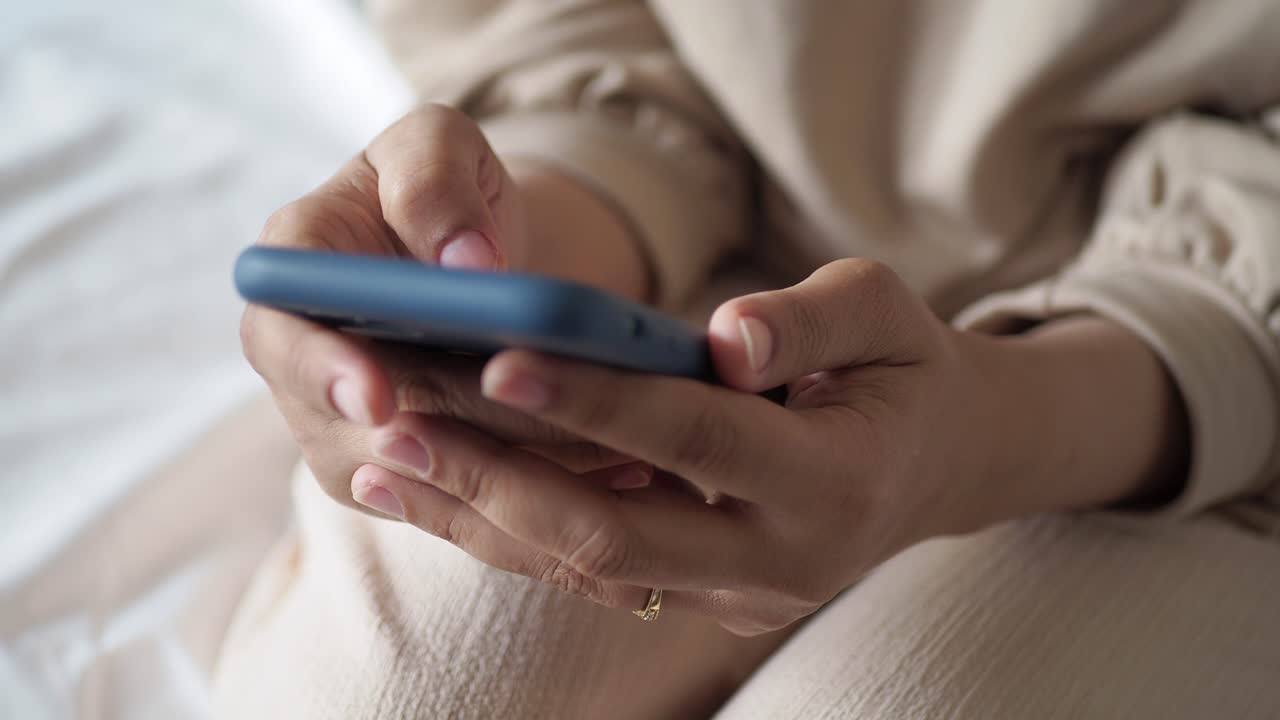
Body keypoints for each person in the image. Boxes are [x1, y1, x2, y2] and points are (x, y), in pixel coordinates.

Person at [214, 1, 1280, 717]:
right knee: (404, 698)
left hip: (1192, 390)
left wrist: (986, 433)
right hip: (718, 261)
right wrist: (497, 238)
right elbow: (559, 36)